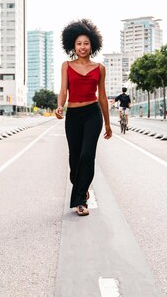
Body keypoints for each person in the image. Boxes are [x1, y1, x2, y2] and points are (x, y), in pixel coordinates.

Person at [55, 19, 112, 217]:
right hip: (73, 115)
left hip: (92, 114)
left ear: (92, 45)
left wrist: (108, 123)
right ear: (73, 45)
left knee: (87, 155)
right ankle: (81, 185)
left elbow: (103, 97)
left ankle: (80, 200)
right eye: (79, 43)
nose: (82, 47)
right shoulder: (66, 66)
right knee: (74, 159)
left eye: (86, 43)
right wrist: (59, 106)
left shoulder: (100, 68)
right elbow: (63, 90)